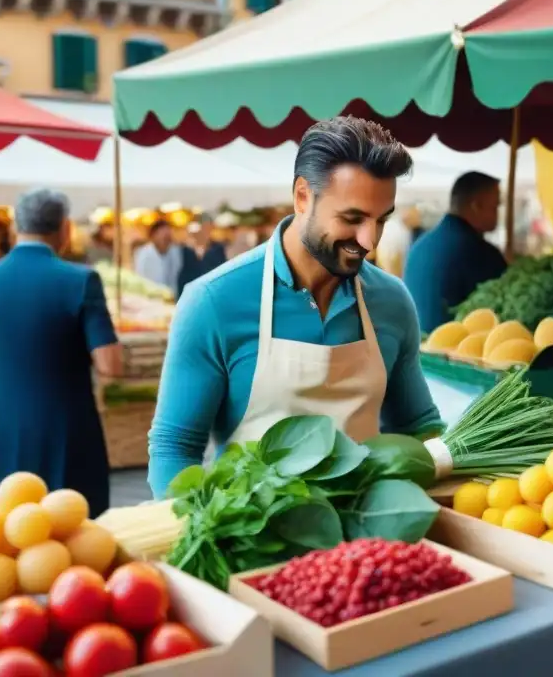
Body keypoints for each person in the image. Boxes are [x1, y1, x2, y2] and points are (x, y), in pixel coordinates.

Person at [147, 116, 441, 498]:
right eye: (352, 218)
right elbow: (175, 448)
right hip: (253, 543)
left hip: (367, 544)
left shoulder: (391, 300)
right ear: (303, 196)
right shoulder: (213, 302)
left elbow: (418, 424)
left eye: (381, 220)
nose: (369, 240)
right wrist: (199, 538)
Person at [0, 188, 123, 517]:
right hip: (67, 428)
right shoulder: (81, 280)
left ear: (15, 228)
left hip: (3, 427)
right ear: (66, 228)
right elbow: (110, 365)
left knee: (8, 527)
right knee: (74, 528)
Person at [403, 172, 508, 332]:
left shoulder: (419, 246)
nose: (498, 213)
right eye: (495, 206)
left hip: (417, 350)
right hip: (454, 353)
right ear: (476, 206)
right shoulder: (480, 253)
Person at [177, 213, 227, 299]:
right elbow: (182, 275)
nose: (205, 231)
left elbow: (222, 272)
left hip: (211, 295)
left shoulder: (218, 248)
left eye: (208, 227)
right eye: (203, 227)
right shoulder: (186, 250)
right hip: (190, 295)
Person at [134, 219, 181, 293]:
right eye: (164, 237)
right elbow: (140, 278)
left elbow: (175, 276)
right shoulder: (143, 254)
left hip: (170, 297)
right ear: (153, 236)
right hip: (149, 297)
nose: (166, 240)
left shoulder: (175, 252)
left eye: (168, 237)